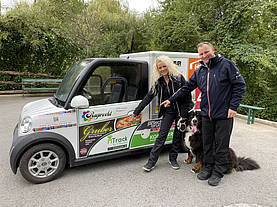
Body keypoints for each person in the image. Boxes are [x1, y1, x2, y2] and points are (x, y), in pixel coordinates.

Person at [161, 42, 246, 186]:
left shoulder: (226, 65)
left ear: (213, 50)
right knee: (207, 144)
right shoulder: (200, 71)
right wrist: (171, 99)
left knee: (221, 145)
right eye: (201, 54)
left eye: (206, 52)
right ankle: (207, 168)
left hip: (224, 114)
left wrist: (233, 106)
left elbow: (240, 85)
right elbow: (186, 88)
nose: (204, 55)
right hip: (206, 115)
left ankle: (217, 172)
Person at [132, 55, 193, 172]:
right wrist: (137, 111)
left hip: (181, 111)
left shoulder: (179, 78)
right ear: (157, 69)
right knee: (161, 136)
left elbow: (187, 96)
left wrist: (184, 115)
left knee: (177, 136)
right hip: (168, 112)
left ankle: (173, 158)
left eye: (164, 66)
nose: (162, 69)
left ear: (169, 65)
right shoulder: (158, 82)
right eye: (160, 68)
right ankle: (151, 161)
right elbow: (148, 97)